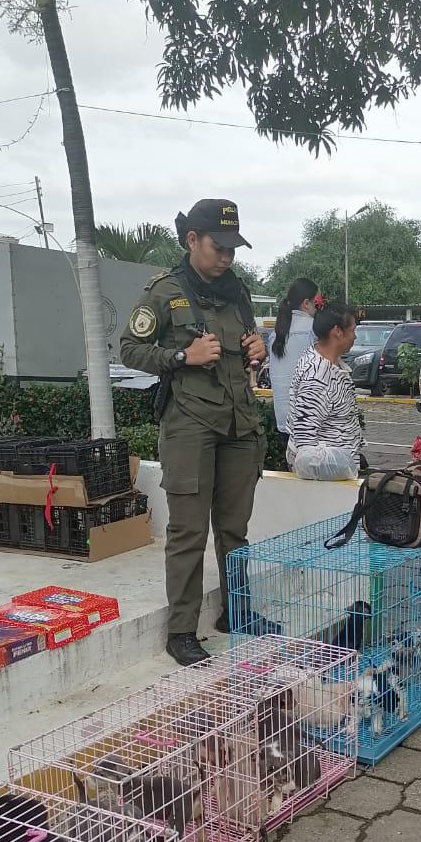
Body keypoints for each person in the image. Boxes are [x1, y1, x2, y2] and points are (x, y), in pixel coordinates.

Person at [120, 198, 279, 666]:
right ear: (192, 240)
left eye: (233, 247)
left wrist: (257, 347)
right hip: (189, 425)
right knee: (189, 531)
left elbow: (248, 339)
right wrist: (180, 357)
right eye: (218, 246)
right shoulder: (164, 292)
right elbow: (130, 348)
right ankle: (182, 631)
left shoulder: (237, 291)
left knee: (234, 529)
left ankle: (239, 613)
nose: (226, 256)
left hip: (239, 423)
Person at [286, 301, 365, 479]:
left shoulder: (327, 362)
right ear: (337, 331)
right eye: (352, 330)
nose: (355, 336)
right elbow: (305, 442)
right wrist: (337, 467)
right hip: (326, 479)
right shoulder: (317, 376)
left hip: (338, 472)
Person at [269, 278, 319, 457]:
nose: (317, 308)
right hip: (310, 423)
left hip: (284, 420)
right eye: (317, 303)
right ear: (306, 303)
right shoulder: (313, 329)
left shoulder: (276, 333)